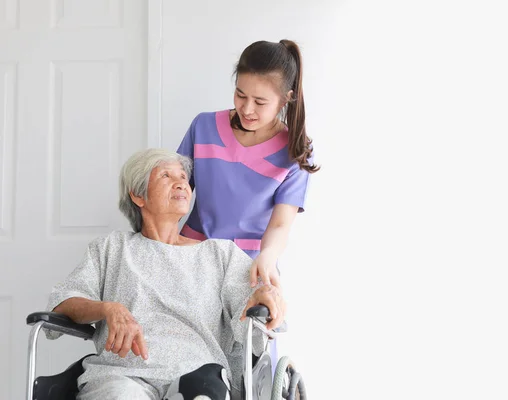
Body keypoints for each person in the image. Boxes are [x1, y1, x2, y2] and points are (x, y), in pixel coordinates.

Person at [44, 148, 286, 400]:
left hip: (198, 375)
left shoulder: (220, 254)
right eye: (166, 176)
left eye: (183, 177)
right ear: (138, 195)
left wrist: (264, 293)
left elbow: (250, 312)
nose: (182, 183)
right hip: (122, 375)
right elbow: (63, 303)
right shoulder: (111, 249)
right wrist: (108, 309)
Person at [177, 39, 319, 290]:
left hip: (248, 267)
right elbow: (173, 190)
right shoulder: (203, 127)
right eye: (240, 95)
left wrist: (268, 256)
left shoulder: (296, 153)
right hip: (192, 255)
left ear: (286, 99)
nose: (247, 108)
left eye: (260, 102)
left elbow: (280, 224)